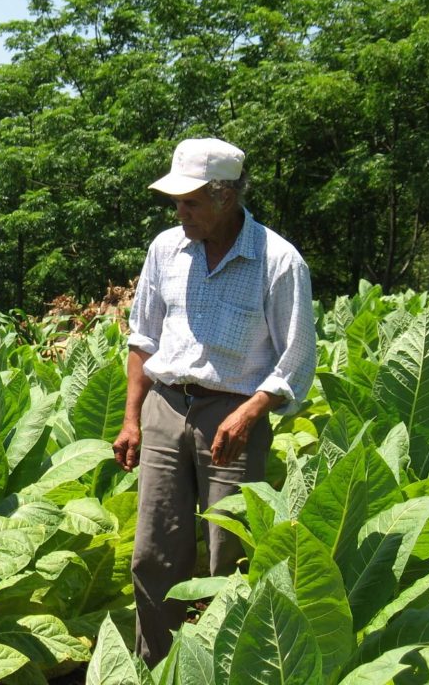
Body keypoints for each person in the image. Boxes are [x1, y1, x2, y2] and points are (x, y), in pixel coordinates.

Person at [112, 137, 316, 667]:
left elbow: (296, 357)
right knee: (154, 552)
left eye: (191, 202)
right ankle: (157, 668)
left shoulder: (278, 261)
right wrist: (132, 418)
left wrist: (250, 412)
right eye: (177, 202)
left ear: (226, 197)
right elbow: (142, 339)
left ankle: (229, 669)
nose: (180, 212)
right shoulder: (165, 249)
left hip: (234, 415)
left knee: (231, 554)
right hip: (164, 406)